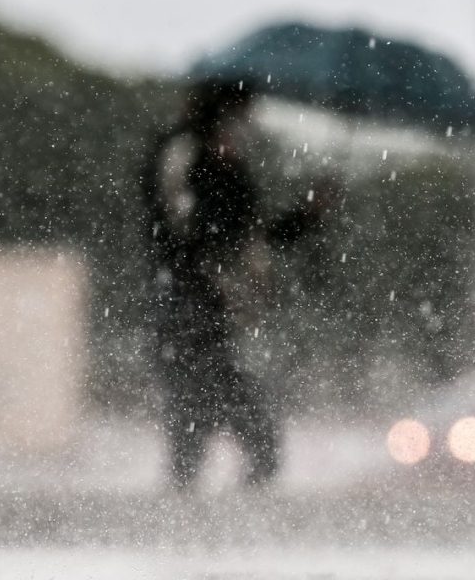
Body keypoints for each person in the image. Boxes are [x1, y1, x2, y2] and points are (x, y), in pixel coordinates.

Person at [141, 82, 334, 488]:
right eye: (241, 115)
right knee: (200, 429)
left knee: (245, 438)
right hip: (183, 310)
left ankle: (215, 529)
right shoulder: (181, 152)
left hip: (214, 316)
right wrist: (213, 172)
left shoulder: (230, 164)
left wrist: (307, 215)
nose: (248, 125)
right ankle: (186, 530)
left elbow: (251, 237)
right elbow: (181, 229)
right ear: (220, 112)